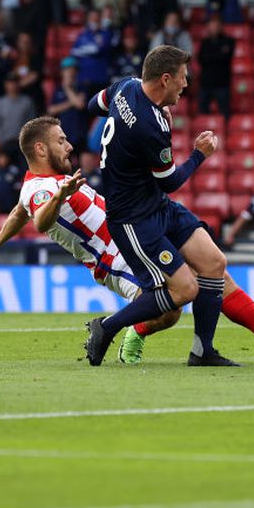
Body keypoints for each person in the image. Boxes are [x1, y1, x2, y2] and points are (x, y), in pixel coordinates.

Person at [0, 116, 254, 365]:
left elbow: (21, 212)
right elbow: (38, 218)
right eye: (60, 140)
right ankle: (123, 331)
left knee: (213, 272)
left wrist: (1, 236)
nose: (69, 145)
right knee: (173, 308)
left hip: (136, 236)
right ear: (40, 148)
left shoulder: (35, 186)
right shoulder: (43, 189)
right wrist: (58, 198)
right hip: (113, 258)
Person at [83, 46, 239, 367]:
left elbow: (93, 104)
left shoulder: (125, 87)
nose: (186, 84)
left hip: (156, 205)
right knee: (184, 290)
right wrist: (199, 154)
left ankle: (202, 351)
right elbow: (170, 180)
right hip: (134, 219)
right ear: (165, 79)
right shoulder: (149, 125)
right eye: (182, 78)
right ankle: (107, 327)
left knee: (213, 262)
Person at [196, 13, 234, 117]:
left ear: (221, 26)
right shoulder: (204, 42)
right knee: (202, 114)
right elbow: (201, 59)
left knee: (224, 113)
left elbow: (226, 59)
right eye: (212, 25)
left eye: (217, 25)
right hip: (206, 83)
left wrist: (211, 57)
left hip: (222, 83)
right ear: (208, 27)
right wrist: (218, 55)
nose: (214, 28)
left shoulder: (229, 41)